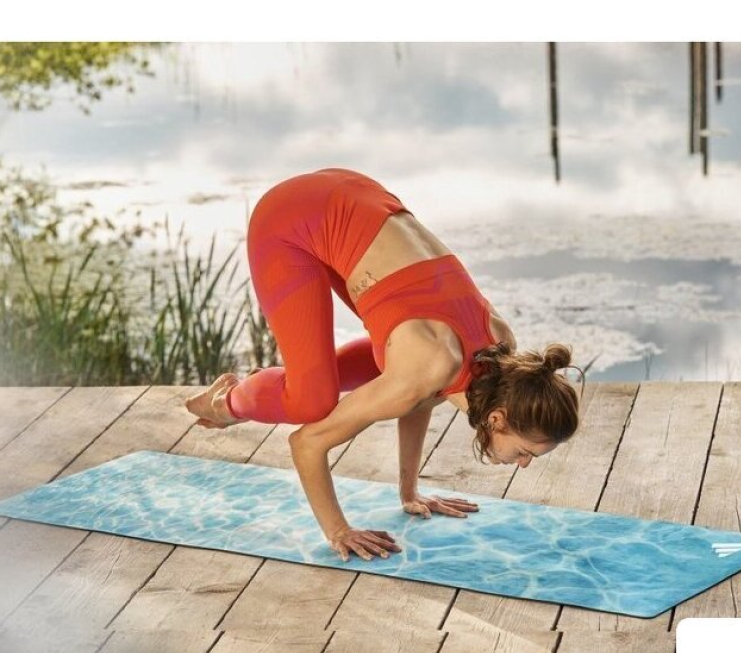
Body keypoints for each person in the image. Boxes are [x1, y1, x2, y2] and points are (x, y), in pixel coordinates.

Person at [185, 167, 584, 563]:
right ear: (497, 419)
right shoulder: (428, 368)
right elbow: (307, 444)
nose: (524, 464)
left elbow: (425, 394)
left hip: (353, 196)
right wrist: (339, 532)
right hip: (290, 218)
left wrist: (409, 492)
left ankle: (274, 388)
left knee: (378, 378)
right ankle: (225, 402)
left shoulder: (497, 350)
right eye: (526, 451)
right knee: (310, 403)